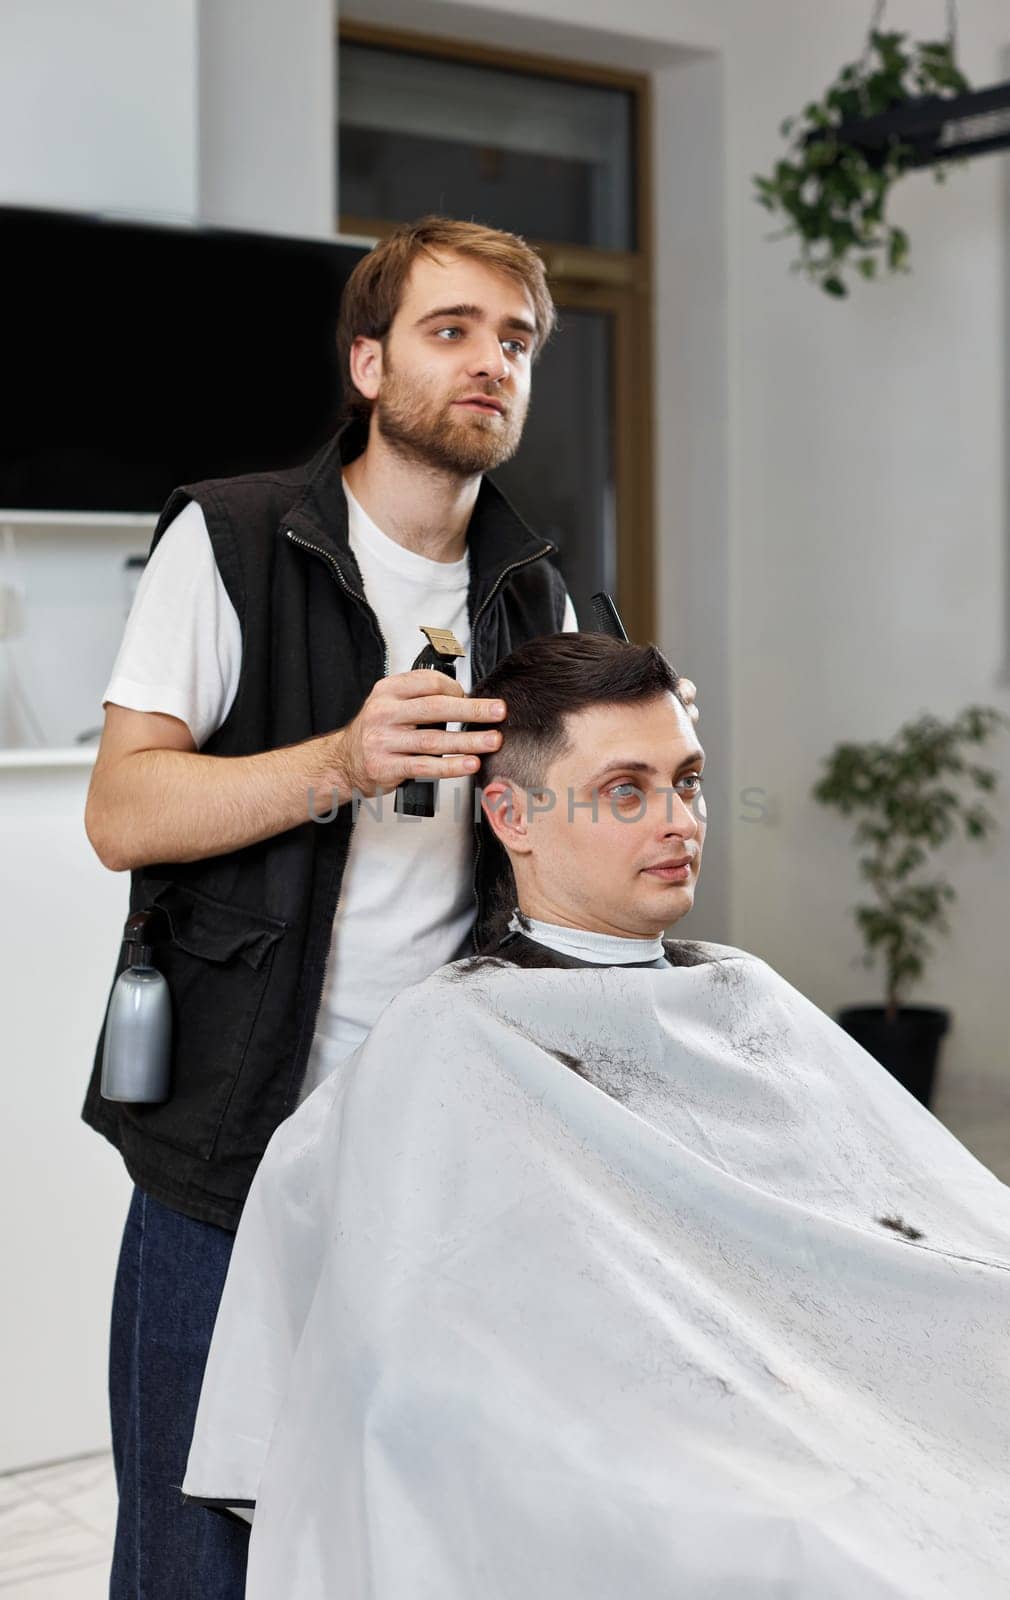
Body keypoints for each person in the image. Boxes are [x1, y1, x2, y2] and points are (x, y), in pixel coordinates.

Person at [183, 633, 1010, 1600]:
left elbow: (891, 1223)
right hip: (643, 1453)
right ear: (512, 815)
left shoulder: (744, 995)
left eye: (687, 781)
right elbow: (423, 1364)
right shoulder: (448, 1042)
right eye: (625, 791)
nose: (679, 820)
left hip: (811, 1399)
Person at [81, 216, 698, 1598]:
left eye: (517, 341)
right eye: (452, 329)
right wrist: (337, 764)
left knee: (395, 1538)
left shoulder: (531, 589)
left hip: (435, 1152)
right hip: (227, 1156)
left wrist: (637, 775)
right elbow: (123, 813)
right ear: (366, 364)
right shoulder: (230, 541)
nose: (492, 362)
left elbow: (545, 845)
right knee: (191, 1554)